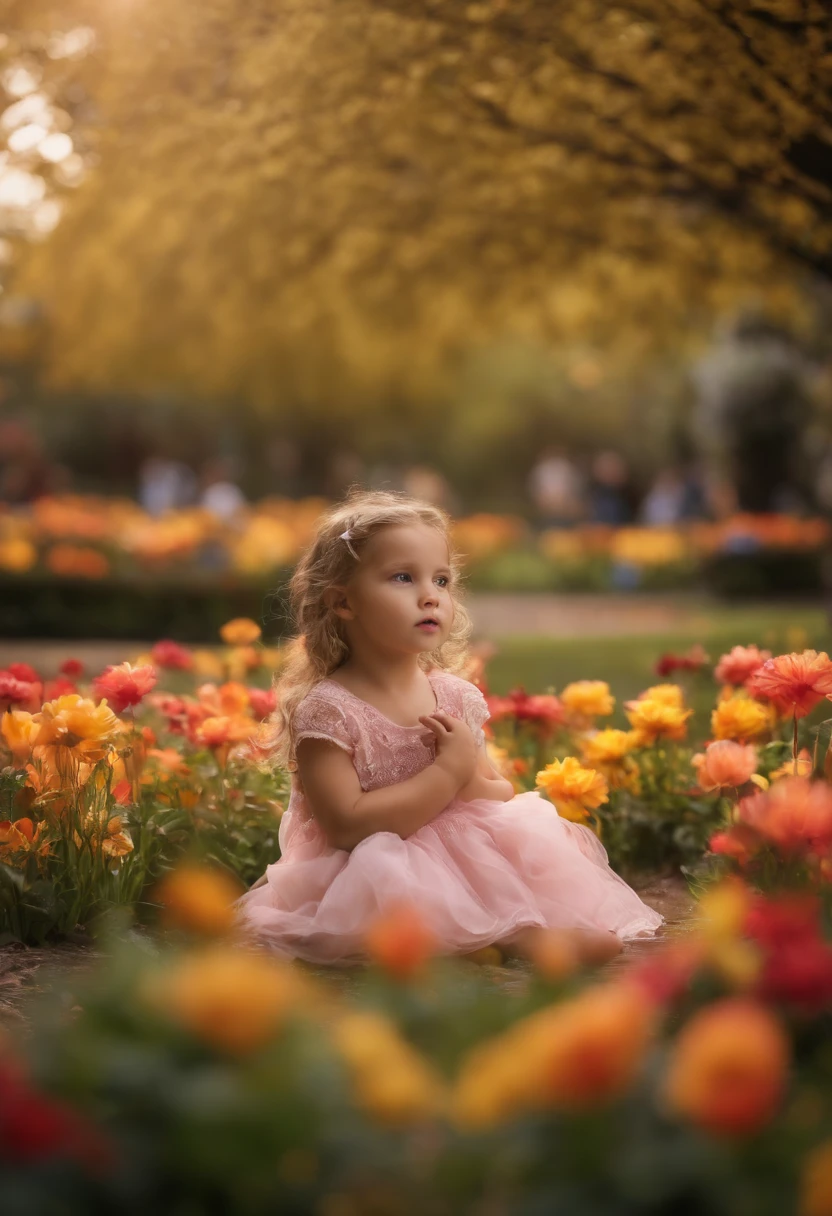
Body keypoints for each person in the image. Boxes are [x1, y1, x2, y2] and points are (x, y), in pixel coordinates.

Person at [236, 489, 663, 966]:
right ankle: (499, 945)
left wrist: (468, 773)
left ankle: (508, 931)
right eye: (403, 577)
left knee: (508, 847)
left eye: (441, 580)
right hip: (367, 867)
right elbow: (345, 826)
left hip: (459, 853)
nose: (430, 596)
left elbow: (494, 792)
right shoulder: (329, 711)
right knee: (398, 880)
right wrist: (446, 774)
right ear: (343, 602)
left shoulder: (453, 696)